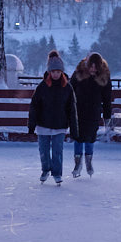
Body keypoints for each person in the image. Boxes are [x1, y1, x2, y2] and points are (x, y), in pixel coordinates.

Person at [27, 50, 78, 184]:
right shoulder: (42, 87)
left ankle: (57, 173)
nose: (55, 74)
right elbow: (34, 106)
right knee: (43, 150)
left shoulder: (67, 88)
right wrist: (31, 125)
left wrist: (74, 129)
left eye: (58, 71)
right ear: (49, 72)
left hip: (60, 125)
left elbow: (72, 109)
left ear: (61, 72)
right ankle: (45, 170)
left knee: (57, 151)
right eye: (53, 71)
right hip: (43, 124)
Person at [70, 52, 113, 177]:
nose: (93, 69)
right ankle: (77, 164)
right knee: (77, 137)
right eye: (91, 66)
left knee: (90, 137)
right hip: (78, 111)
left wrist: (107, 116)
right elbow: (69, 91)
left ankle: (89, 162)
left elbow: (107, 98)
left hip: (94, 112)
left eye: (95, 67)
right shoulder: (78, 73)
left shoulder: (104, 76)